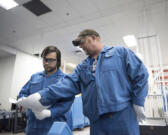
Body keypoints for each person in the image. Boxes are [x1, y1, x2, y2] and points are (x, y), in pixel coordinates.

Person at [17, 29, 149, 135]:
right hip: (96, 121)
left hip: (122, 117)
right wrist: (41, 96)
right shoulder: (82, 67)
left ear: (94, 37)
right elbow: (66, 85)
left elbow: (141, 74)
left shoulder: (120, 53)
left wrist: (138, 101)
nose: (80, 47)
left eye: (82, 42)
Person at [17, 46, 73, 135]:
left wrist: (49, 112)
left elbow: (66, 104)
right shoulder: (35, 77)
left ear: (58, 61)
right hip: (32, 126)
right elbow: (22, 93)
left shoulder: (65, 80)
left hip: (53, 127)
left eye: (51, 60)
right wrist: (22, 100)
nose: (46, 63)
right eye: (45, 59)